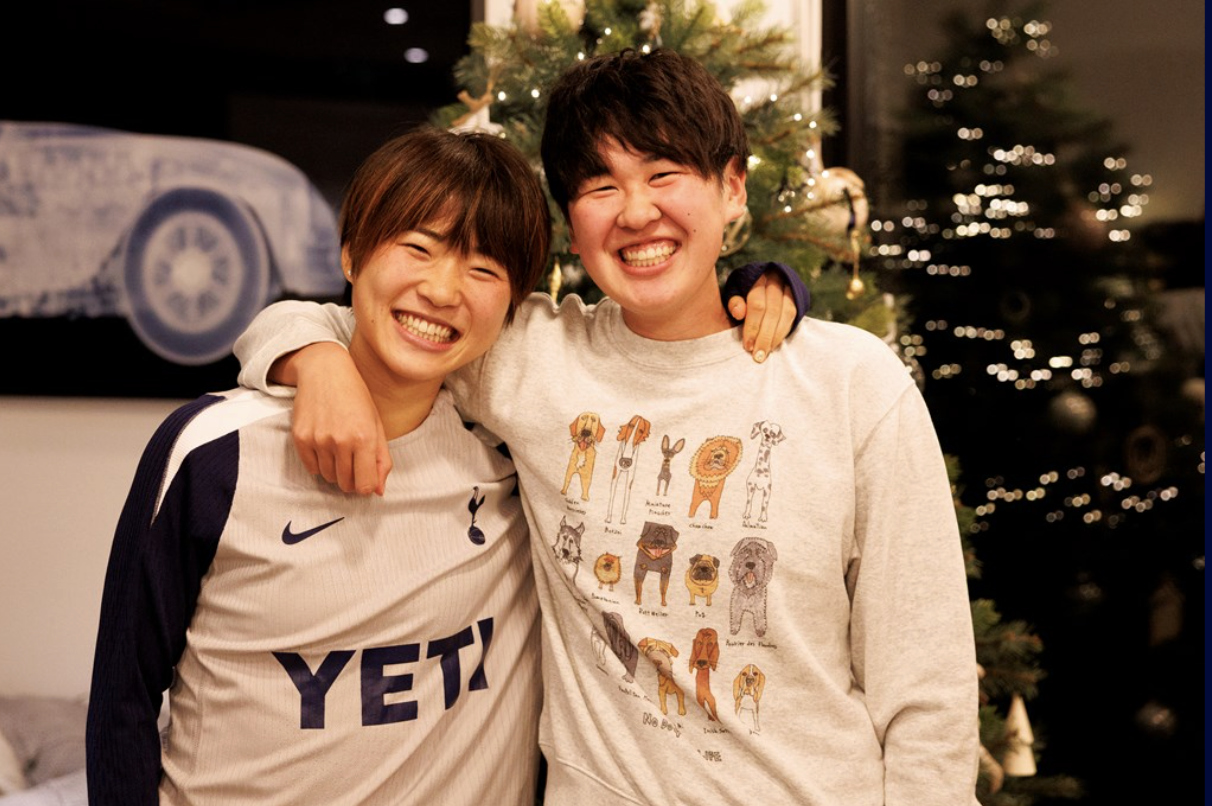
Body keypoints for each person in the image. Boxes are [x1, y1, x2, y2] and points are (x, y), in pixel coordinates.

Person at [235, 49, 979, 805]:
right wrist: (317, 361)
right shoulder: (530, 358)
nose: (634, 211)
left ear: (731, 187)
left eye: (664, 175)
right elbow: (369, 313)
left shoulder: (851, 381)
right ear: (573, 224)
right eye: (600, 186)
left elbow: (927, 684)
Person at [85, 126, 555, 805]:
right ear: (350, 255)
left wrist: (762, 283)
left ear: (513, 305)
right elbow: (123, 703)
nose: (443, 288)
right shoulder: (214, 452)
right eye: (417, 248)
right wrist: (317, 358)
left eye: (483, 270)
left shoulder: (516, 450)